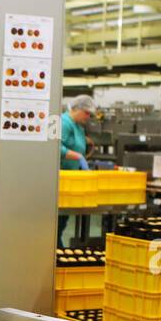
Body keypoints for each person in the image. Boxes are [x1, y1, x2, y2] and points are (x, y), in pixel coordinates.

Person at [58, 95, 96, 247]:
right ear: (76, 109)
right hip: (61, 181)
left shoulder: (78, 126)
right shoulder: (65, 123)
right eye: (86, 113)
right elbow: (55, 147)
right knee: (57, 225)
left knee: (62, 223)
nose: (88, 117)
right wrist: (78, 156)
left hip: (70, 182)